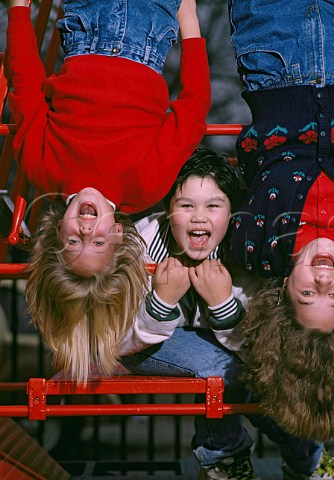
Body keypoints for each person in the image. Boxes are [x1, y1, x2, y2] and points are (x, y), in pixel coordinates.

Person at [116, 147, 334, 480]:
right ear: (168, 211)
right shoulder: (142, 242)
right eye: (185, 205)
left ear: (232, 212)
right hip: (146, 341)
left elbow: (259, 346)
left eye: (213, 205)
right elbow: (119, 335)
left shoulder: (247, 250)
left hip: (224, 341)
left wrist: (223, 304)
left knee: (260, 375)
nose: (199, 217)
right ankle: (224, 463)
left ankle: (309, 462)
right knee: (219, 367)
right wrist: (162, 302)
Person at [226, 0, 334, 474]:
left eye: (307, 292)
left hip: (273, 49)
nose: (322, 276)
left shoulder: (253, 245)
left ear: (283, 290)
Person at [5, 0, 210, 383]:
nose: (85, 232)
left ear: (55, 235)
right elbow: (192, 110)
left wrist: (19, 9)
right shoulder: (146, 185)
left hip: (87, 23)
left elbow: (24, 81)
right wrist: (189, 23)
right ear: (117, 234)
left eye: (72, 244)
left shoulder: (42, 167)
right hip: (151, 29)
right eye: (96, 245)